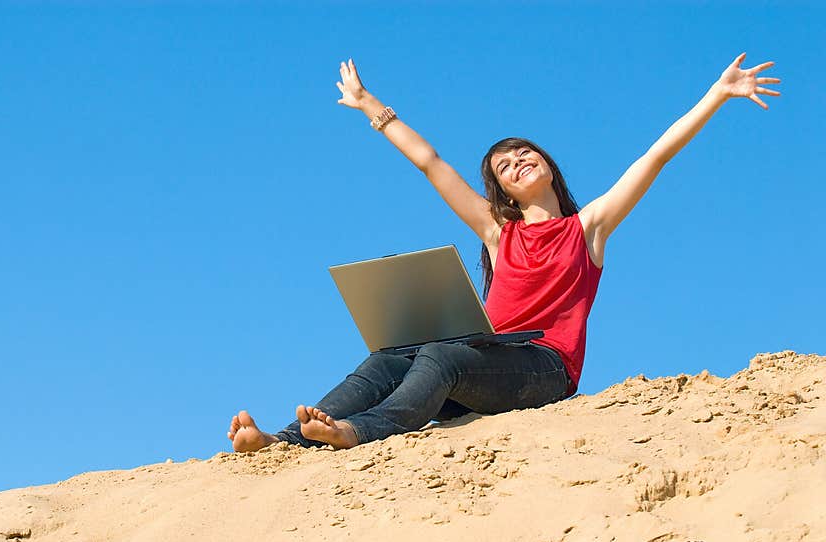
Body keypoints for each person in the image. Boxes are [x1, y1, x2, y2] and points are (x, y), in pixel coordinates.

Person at [228, 53, 780, 453]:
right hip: (481, 363)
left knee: (440, 356)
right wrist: (370, 104)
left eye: (523, 154)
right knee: (390, 356)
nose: (517, 162)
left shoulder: (590, 228)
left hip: (543, 371)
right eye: (505, 167)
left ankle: (356, 432)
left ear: (545, 164)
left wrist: (716, 94)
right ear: (504, 194)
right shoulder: (499, 233)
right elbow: (431, 163)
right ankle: (281, 440)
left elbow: (655, 157)